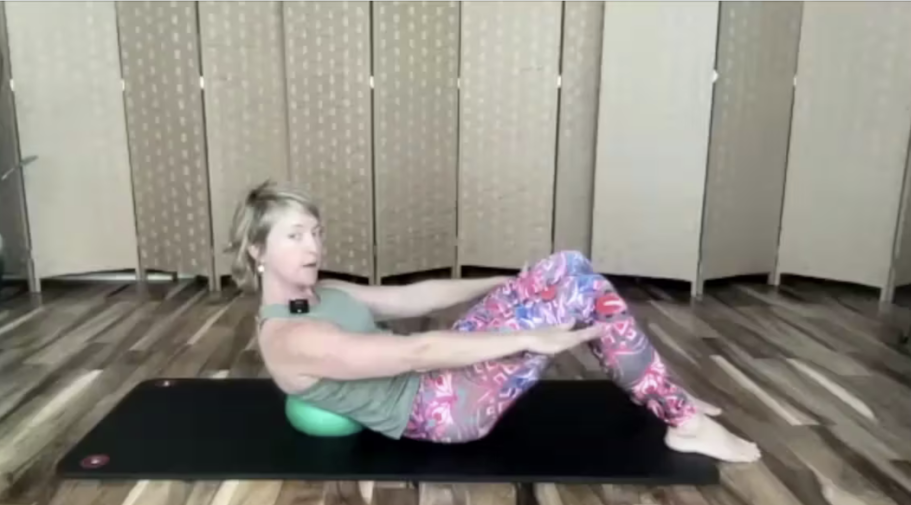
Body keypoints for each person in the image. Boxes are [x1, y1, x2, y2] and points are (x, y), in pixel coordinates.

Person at [229, 180, 761, 463]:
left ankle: (662, 392)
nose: (314, 246)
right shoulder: (292, 337)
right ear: (257, 251)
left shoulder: (325, 293)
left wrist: (502, 283)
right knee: (577, 290)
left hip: (435, 376)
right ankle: (683, 422)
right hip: (439, 409)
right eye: (295, 235)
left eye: (316, 232)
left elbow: (415, 298)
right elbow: (416, 353)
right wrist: (529, 336)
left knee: (566, 268)